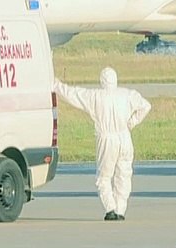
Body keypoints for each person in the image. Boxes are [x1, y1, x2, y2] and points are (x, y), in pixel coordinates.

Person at [53, 67, 152, 221]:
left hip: (107, 139)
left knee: (104, 176)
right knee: (124, 174)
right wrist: (132, 122)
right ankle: (121, 209)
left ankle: (110, 208)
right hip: (125, 137)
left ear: (102, 81)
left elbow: (74, 94)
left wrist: (56, 84)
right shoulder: (127, 94)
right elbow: (146, 106)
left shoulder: (95, 96)